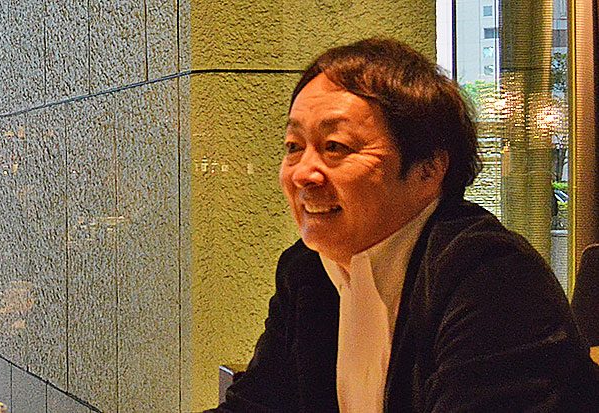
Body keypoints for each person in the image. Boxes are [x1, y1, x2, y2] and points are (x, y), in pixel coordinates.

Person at [209, 37, 599, 412]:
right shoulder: (306, 270)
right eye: (294, 147)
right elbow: (257, 405)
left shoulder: (493, 277)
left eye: (335, 147)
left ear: (429, 168)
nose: (302, 174)